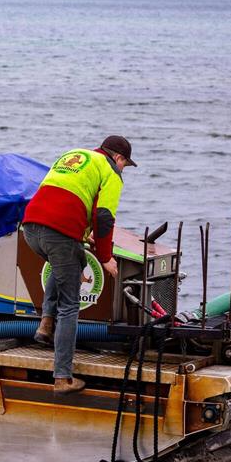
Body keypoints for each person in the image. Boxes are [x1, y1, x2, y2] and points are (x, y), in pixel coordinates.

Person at [21, 135, 136, 395]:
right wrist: (105, 257)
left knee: (71, 260)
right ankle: (63, 377)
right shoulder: (111, 171)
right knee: (70, 305)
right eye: (125, 165)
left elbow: (65, 200)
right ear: (119, 158)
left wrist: (84, 235)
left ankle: (45, 323)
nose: (123, 171)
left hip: (30, 229)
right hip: (58, 235)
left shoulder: (74, 156)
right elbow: (104, 216)